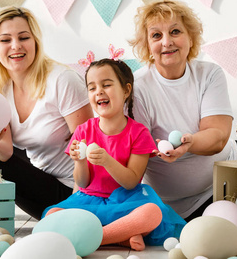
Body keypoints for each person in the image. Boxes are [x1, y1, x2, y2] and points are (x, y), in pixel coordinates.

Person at [0, 6, 94, 220]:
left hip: (72, 193)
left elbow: (93, 145)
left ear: (35, 43)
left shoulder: (62, 80)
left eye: (24, 37)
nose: (16, 46)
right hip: (38, 173)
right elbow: (4, 154)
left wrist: (80, 212)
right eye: (5, 40)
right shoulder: (1, 89)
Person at [42, 58, 186, 251]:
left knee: (152, 213)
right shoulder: (83, 131)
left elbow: (131, 182)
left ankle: (97, 237)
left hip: (126, 202)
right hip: (88, 200)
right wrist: (80, 162)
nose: (98, 91)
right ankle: (121, 237)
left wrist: (107, 161)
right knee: (53, 214)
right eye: (92, 88)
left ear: (126, 90)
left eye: (106, 85)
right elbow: (82, 183)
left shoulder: (139, 133)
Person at [129, 0, 237, 222]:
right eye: (156, 35)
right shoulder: (138, 87)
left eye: (175, 31)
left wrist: (189, 143)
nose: (167, 42)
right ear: (148, 45)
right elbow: (135, 153)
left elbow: (218, 135)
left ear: (191, 38)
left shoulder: (209, 74)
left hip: (218, 190)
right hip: (162, 204)